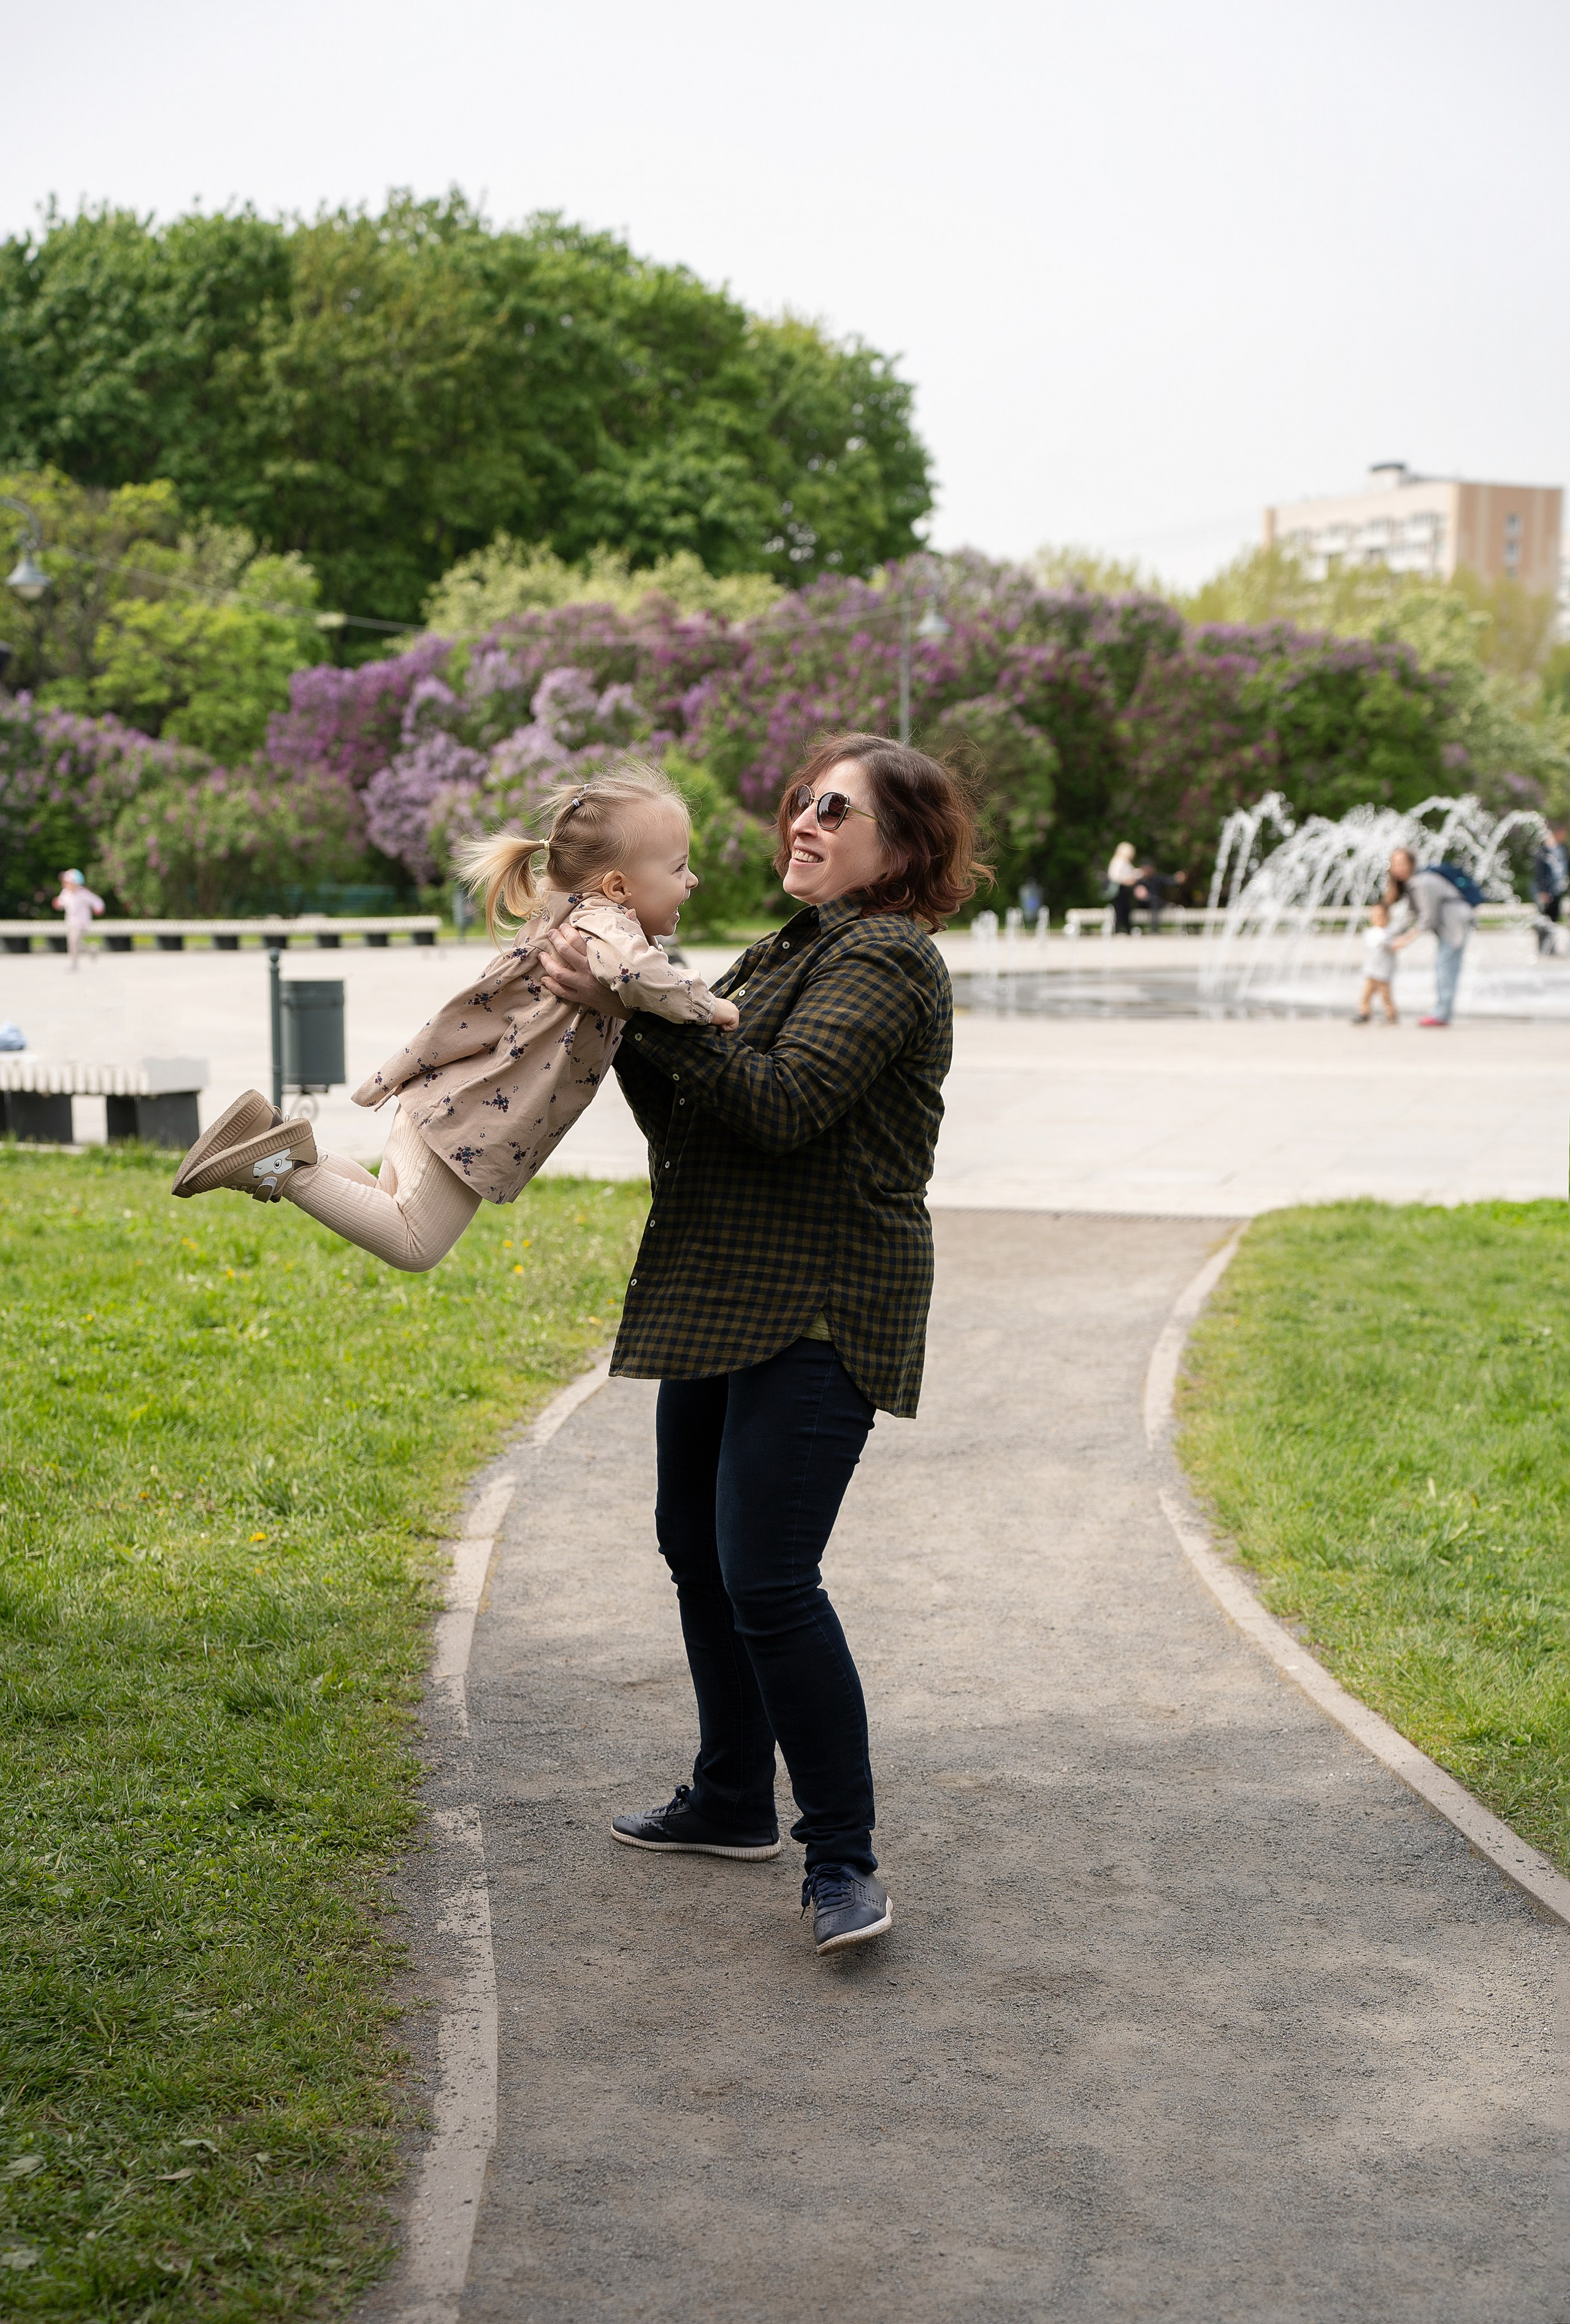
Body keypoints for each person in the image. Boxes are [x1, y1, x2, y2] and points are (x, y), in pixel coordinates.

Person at [539, 733, 987, 1957]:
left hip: (821, 1298)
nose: (803, 821)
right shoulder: (790, 947)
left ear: (900, 848)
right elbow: (698, 1107)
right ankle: (733, 1798)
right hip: (727, 1283)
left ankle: (840, 1857)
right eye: (802, 802)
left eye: (834, 811)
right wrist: (620, 1019)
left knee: (768, 1577)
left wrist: (645, 1010)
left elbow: (781, 1107)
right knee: (697, 1548)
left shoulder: (888, 958)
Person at [170, 764, 736, 1262]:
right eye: (679, 867)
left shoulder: (568, 914)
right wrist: (709, 1005)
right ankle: (281, 1168)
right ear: (617, 886)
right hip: (473, 1111)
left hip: (451, 1093)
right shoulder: (605, 922)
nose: (692, 881)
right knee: (415, 1244)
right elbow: (643, 976)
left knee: (386, 1201)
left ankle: (275, 1139)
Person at [1387, 847, 1473, 1028]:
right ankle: (1442, 1012)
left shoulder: (1422, 883)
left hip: (1454, 926)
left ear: (1412, 864)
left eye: (1402, 863)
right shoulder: (1414, 884)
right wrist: (1388, 934)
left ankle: (1442, 1015)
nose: (1398, 868)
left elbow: (1427, 919)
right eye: (1395, 864)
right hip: (1451, 926)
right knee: (1444, 967)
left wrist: (1404, 941)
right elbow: (1411, 914)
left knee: (1445, 969)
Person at [1351, 900, 1404, 1024]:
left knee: (1386, 996)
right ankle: (1364, 1012)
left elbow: (1394, 946)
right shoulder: (1370, 933)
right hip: (1370, 971)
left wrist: (1405, 939)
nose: (1378, 919)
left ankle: (1391, 1014)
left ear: (1388, 918)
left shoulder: (1388, 934)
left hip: (1383, 973)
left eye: (1382, 916)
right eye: (1375, 916)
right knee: (1366, 994)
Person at [52, 868, 104, 969]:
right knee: (75, 943)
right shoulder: (65, 893)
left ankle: (74, 964)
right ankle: (91, 950)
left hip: (82, 924)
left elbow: (97, 901)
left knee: (73, 942)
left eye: (67, 882)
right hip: (71, 923)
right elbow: (61, 903)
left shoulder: (84, 894)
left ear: (76, 883)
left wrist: (99, 908)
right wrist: (57, 903)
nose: (65, 884)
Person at [1532, 822, 1568, 955]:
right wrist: (1542, 891)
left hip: (1557, 890)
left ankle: (1551, 948)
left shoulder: (1562, 848)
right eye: (1563, 834)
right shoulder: (1544, 849)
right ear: (1556, 833)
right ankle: (1543, 948)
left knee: (1555, 918)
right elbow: (1539, 872)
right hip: (1545, 891)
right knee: (1544, 919)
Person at [1107, 841, 1141, 934]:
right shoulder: (1118, 861)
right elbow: (1114, 876)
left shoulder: (1126, 862)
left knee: (1126, 909)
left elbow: (1132, 872)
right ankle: (1119, 929)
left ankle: (1126, 928)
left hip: (1126, 890)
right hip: (1120, 890)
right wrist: (1126, 880)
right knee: (1120, 910)